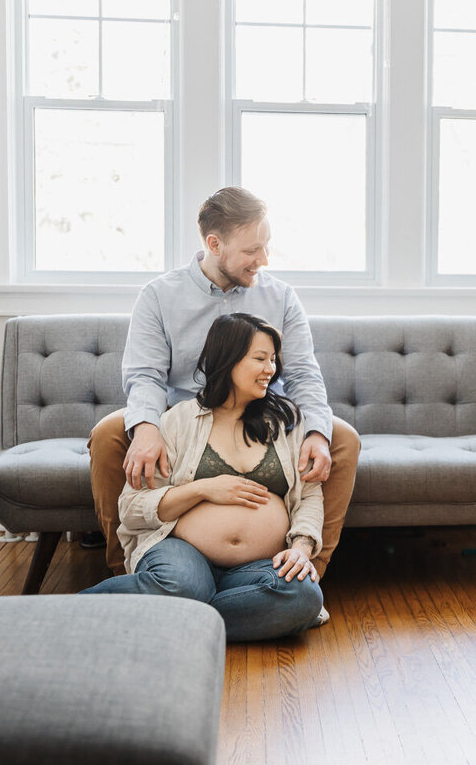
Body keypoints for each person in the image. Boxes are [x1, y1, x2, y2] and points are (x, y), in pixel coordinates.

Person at [88, 187, 361, 593]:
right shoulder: (160, 296)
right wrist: (145, 427)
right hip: (184, 418)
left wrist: (318, 434)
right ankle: (130, 574)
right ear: (214, 244)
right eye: (253, 250)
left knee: (342, 438)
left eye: (266, 247)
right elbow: (145, 376)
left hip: (261, 415)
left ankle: (305, 572)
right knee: (111, 433)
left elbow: (303, 373)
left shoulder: (280, 296)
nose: (264, 260)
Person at [83, 313, 324, 641]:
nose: (271, 369)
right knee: (182, 585)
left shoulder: (286, 421)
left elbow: (309, 495)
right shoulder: (178, 421)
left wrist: (301, 547)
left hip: (259, 566)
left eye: (273, 360)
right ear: (228, 359)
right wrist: (203, 489)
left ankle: (182, 613)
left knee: (303, 596)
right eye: (260, 359)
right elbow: (132, 506)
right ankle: (66, 613)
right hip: (182, 552)